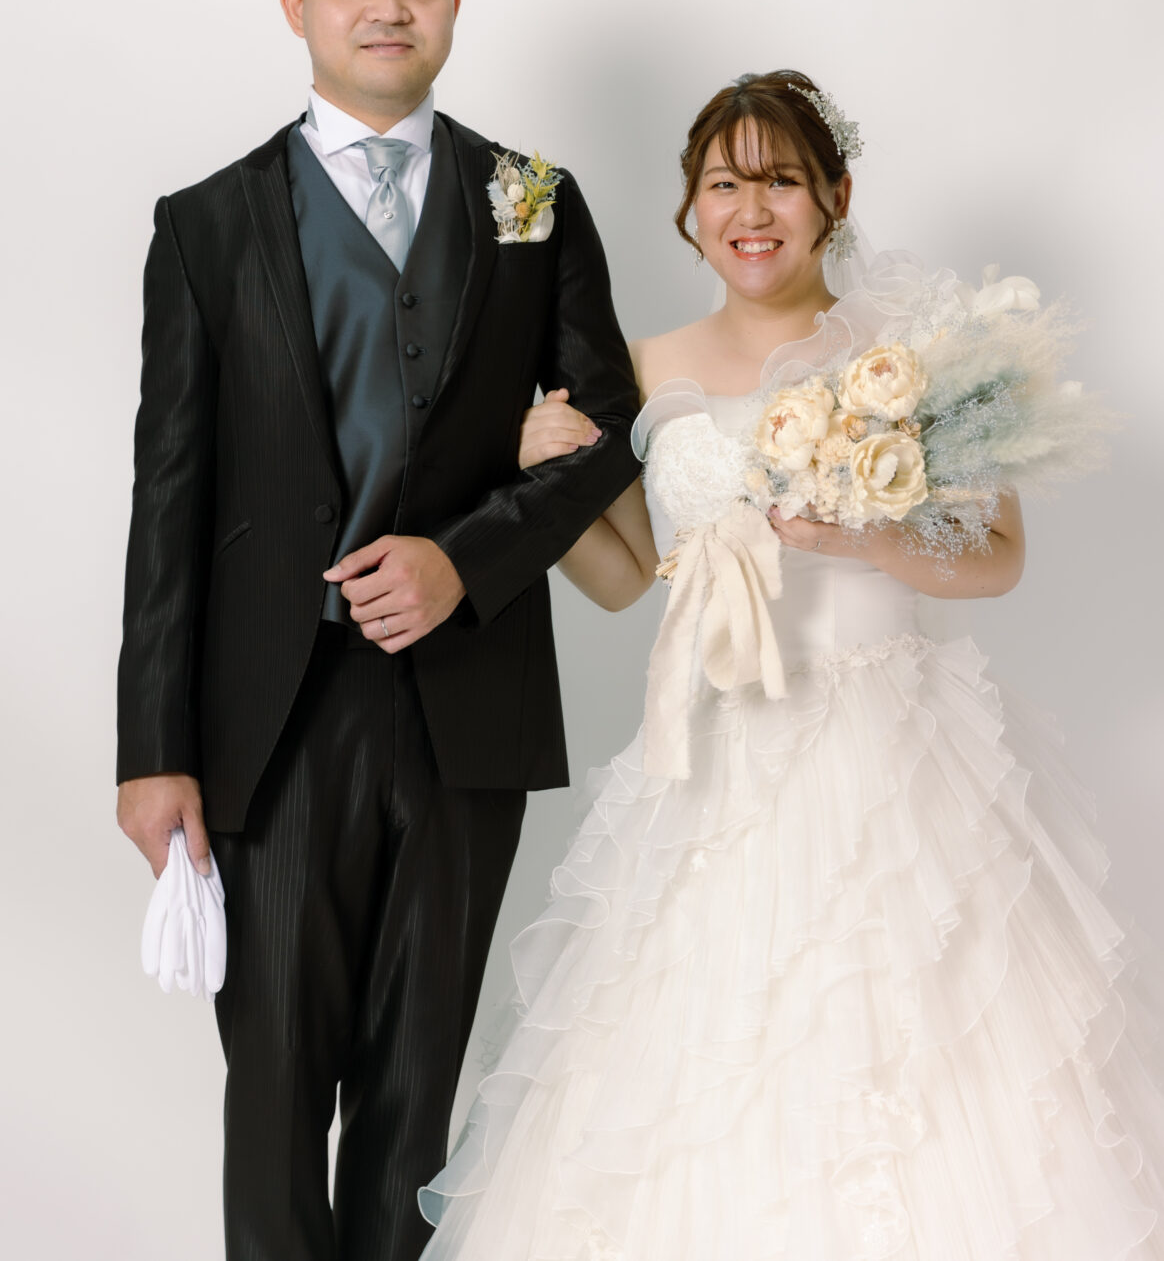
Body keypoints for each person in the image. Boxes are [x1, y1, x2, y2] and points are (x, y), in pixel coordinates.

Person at [418, 70, 1164, 1259]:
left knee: (921, 1033)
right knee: (700, 1063)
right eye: (724, 185)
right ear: (689, 209)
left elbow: (1000, 557)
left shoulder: (909, 356)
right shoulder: (642, 366)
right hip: (713, 750)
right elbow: (627, 576)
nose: (750, 210)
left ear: (834, 198)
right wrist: (533, 477)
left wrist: (863, 540)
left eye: (779, 181)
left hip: (892, 740)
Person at [115, 0, 641, 1261]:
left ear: (455, 3)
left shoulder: (532, 195)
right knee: (276, 1092)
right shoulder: (207, 224)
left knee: (419, 1105)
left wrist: (468, 559)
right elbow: (168, 498)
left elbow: (610, 428)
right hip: (269, 722)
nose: (386, 6)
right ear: (298, 3)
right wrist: (152, 750)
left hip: (469, 702)